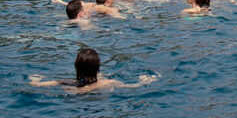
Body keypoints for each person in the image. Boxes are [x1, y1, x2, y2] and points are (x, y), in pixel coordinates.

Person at [29, 48, 157, 93]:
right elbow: (130, 86)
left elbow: (37, 85)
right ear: (97, 67)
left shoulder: (66, 82)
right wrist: (144, 81)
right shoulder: (107, 83)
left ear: (76, 66)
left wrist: (35, 80)